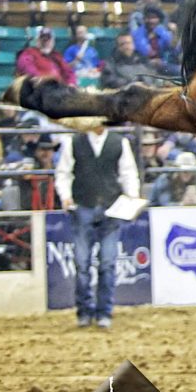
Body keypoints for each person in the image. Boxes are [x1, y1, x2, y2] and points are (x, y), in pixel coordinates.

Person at [54, 125, 140, 329]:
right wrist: (65, 196)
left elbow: (128, 174)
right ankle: (87, 311)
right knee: (82, 263)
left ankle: (102, 312)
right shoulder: (74, 142)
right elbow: (63, 173)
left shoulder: (118, 143)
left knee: (106, 263)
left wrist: (132, 197)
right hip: (85, 205)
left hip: (109, 207)